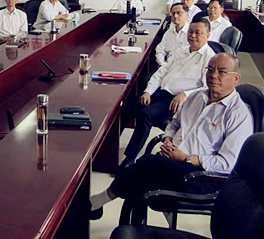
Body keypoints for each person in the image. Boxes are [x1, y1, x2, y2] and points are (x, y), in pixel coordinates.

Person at [89, 53, 253, 218]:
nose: (213, 75)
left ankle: (96, 203)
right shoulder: (196, 97)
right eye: (210, 69)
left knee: (146, 166)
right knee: (141, 178)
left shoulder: (239, 115)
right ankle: (103, 209)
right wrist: (168, 139)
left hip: (203, 176)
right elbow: (174, 124)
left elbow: (227, 164)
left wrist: (187, 158)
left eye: (222, 72)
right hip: (173, 162)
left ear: (236, 78)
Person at [119, 18, 216, 169]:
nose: (193, 35)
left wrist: (186, 94)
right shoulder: (181, 51)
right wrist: (148, 92)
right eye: (190, 31)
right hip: (161, 92)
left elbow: (207, 88)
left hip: (178, 101)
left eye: (198, 33)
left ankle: (130, 159)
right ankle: (107, 150)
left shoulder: (210, 58)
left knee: (146, 114)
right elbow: (160, 73)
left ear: (208, 35)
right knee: (127, 107)